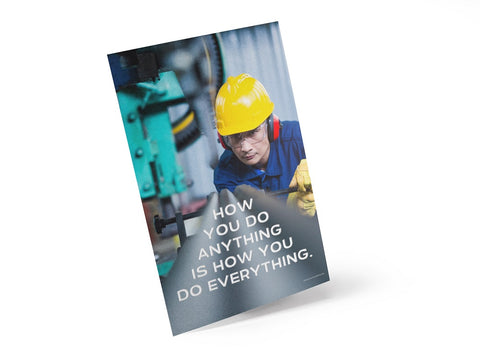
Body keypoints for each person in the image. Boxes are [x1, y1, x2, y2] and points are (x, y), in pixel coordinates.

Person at [213, 73, 316, 216]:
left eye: (253, 132)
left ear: (271, 125)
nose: (245, 147)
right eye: (235, 137)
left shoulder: (299, 139)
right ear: (224, 140)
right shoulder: (225, 174)